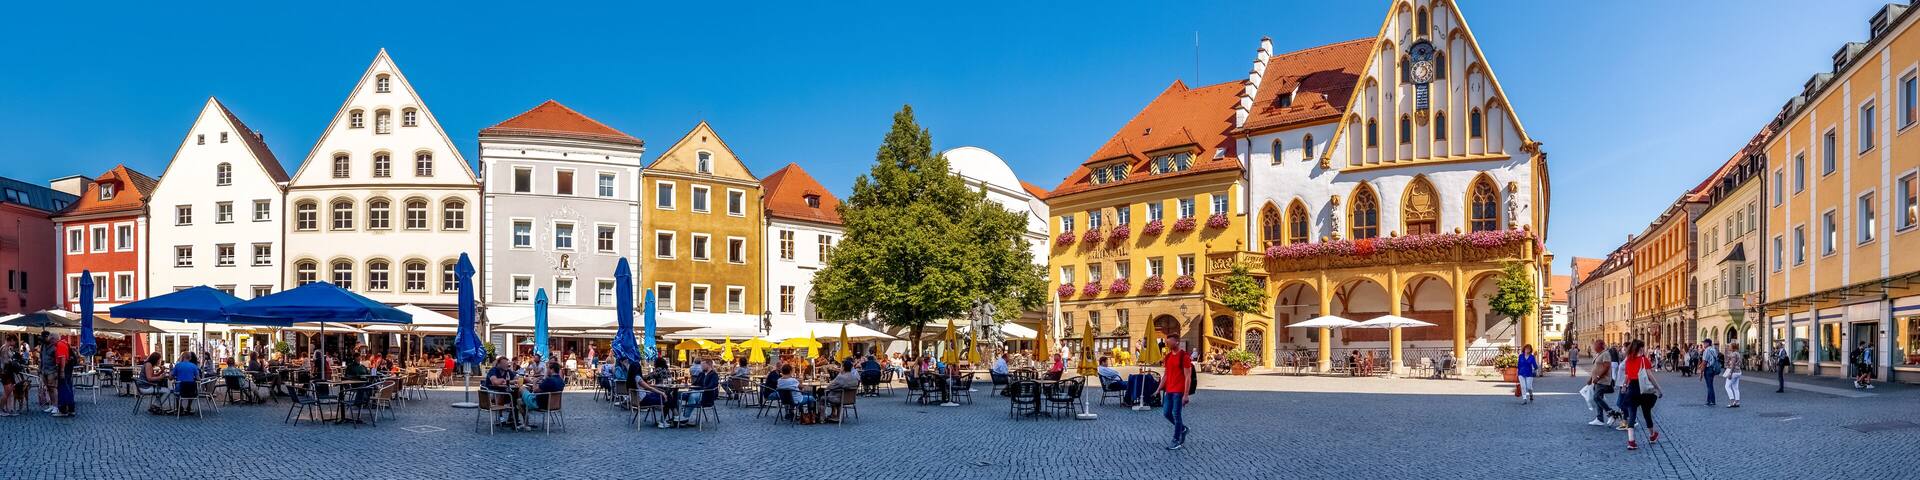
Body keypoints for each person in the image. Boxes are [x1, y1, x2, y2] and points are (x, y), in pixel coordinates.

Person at [1620, 340, 1663, 450]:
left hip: (1632, 389)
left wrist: (1624, 386)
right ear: (1640, 348)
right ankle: (1652, 435)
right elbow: (1650, 376)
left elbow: (1627, 376)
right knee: (1646, 412)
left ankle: (1631, 441)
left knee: (1632, 414)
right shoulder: (1644, 360)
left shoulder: (1629, 360)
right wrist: (1658, 388)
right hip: (1643, 390)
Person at [1160, 338, 1195, 450]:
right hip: (1169, 390)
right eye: (1167, 342)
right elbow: (1166, 375)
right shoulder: (1168, 356)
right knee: (1166, 413)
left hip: (1178, 391)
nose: (1167, 344)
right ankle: (1183, 429)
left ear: (1176, 342)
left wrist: (1186, 394)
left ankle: (1176, 440)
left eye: (1169, 342)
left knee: (1176, 414)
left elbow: (1188, 377)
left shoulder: (1184, 356)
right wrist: (1158, 388)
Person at [1584, 340, 1621, 427]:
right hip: (1597, 380)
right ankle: (1599, 418)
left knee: (1596, 397)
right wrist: (1591, 378)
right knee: (1598, 398)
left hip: (1603, 380)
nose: (1593, 347)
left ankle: (1611, 413)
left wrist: (1597, 377)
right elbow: (1596, 367)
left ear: (1600, 346)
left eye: (1595, 346)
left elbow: (1606, 367)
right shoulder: (1598, 354)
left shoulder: (1605, 354)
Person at [51, 333, 74, 417]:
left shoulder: (59, 345)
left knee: (63, 389)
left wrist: (61, 371)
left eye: (51, 340)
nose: (51, 342)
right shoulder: (65, 343)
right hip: (68, 368)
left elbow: (63, 358)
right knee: (68, 388)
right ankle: (71, 409)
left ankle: (63, 410)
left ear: (54, 339)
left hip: (64, 368)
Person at [0, 336, 21, 417]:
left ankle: (10, 409)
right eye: (15, 341)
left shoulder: (7, 348)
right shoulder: (4, 348)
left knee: (10, 392)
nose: (15, 343)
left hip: (8, 372)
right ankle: (1, 409)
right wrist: (13, 361)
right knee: (7, 392)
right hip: (6, 372)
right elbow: (5, 361)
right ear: (11, 340)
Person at [1699, 339, 1722, 406]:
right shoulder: (1713, 349)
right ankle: (1709, 401)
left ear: (1708, 343)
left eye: (1704, 343)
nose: (1703, 344)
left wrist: (1701, 373)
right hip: (1713, 369)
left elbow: (1704, 362)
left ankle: (1711, 401)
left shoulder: (1706, 351)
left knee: (1709, 386)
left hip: (1708, 369)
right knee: (1710, 385)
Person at [1723, 343, 1744, 408]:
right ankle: (1737, 402)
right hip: (1738, 372)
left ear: (1733, 347)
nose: (1728, 347)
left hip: (1734, 372)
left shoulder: (1733, 354)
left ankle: (1732, 401)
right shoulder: (1737, 353)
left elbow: (1733, 365)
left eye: (1729, 346)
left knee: (1727, 386)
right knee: (1735, 387)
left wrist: (1730, 373)